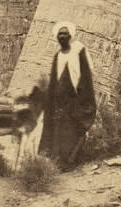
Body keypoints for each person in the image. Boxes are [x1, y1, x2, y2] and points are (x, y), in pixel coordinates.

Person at [39, 20, 97, 170]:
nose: (62, 36)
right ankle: (59, 162)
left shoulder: (79, 51)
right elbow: (54, 79)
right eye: (60, 34)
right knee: (58, 129)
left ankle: (71, 161)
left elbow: (85, 75)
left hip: (74, 98)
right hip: (58, 101)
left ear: (70, 35)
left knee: (72, 129)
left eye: (65, 34)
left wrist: (81, 97)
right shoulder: (58, 55)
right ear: (57, 37)